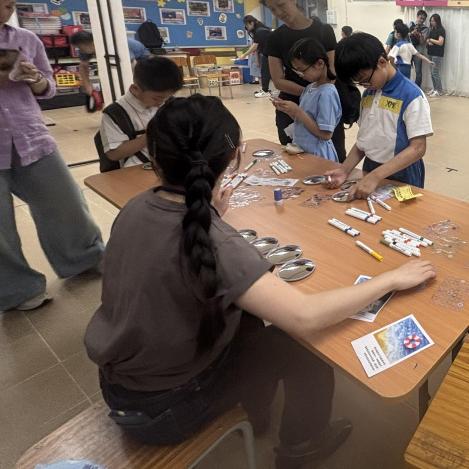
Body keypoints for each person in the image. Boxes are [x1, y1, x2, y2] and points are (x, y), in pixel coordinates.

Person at [84, 95, 435, 464]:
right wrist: (390, 279)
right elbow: (305, 316)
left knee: (249, 316)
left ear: (154, 158)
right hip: (168, 408)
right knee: (303, 349)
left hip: (121, 386)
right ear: (233, 158)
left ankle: (256, 410)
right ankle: (303, 446)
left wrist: (212, 214)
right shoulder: (218, 244)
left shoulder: (137, 206)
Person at [0, 0, 104, 311]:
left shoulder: (25, 39)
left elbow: (49, 86)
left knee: (65, 202)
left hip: (30, 135)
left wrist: (34, 80)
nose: (4, 14)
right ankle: (17, 291)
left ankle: (85, 258)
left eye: (9, 6)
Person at [323, 32, 433, 199]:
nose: (364, 85)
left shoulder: (411, 95)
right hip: (371, 168)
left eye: (365, 80)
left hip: (402, 172)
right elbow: (363, 141)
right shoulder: (368, 94)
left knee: (401, 214)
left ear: (381, 62)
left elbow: (418, 148)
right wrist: (344, 170)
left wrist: (375, 176)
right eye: (359, 83)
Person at [260, 0, 344, 159]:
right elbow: (278, 80)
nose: (279, 12)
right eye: (272, 9)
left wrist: (314, 96)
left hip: (323, 104)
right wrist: (307, 97)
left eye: (281, 5)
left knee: (331, 161)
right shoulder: (275, 37)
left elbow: (332, 72)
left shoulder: (323, 30)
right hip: (291, 103)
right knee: (295, 160)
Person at [99, 56, 183, 170]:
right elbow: (114, 154)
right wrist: (153, 135)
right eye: (156, 98)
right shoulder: (116, 114)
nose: (161, 103)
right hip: (136, 171)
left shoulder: (169, 103)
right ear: (135, 89)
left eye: (168, 97)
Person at [272, 39, 341, 162]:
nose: (300, 74)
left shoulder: (327, 93)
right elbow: (305, 121)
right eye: (296, 70)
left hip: (317, 154)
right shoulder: (310, 88)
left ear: (320, 63)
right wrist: (288, 110)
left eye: (302, 70)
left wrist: (298, 111)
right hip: (303, 149)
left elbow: (326, 135)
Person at [70, 29, 151, 96]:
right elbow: (83, 67)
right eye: (78, 48)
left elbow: (132, 64)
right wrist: (88, 87)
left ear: (92, 44)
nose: (80, 50)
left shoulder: (112, 45)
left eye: (81, 48)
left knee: (136, 83)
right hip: (127, 59)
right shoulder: (85, 49)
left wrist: (131, 86)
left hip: (140, 56)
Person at [238, 15, 272, 98]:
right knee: (267, 72)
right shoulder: (262, 29)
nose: (247, 27)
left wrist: (244, 55)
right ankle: (265, 90)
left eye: (247, 25)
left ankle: (265, 91)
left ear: (252, 23)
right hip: (268, 53)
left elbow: (254, 46)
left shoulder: (259, 31)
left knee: (265, 73)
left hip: (269, 53)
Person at [425, 13, 446, 97]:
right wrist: (428, 41)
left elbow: (440, 42)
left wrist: (431, 40)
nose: (432, 22)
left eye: (433, 21)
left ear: (437, 21)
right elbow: (428, 39)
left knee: (435, 72)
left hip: (437, 54)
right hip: (430, 52)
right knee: (432, 72)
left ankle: (439, 90)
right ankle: (434, 88)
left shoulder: (441, 30)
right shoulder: (432, 30)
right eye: (431, 21)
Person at [410, 10, 429, 87]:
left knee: (418, 71)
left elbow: (423, 42)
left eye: (424, 19)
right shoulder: (410, 24)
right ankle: (407, 86)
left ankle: (417, 87)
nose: (421, 20)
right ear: (417, 16)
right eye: (421, 18)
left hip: (418, 51)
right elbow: (404, 35)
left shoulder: (425, 29)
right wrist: (412, 33)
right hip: (409, 50)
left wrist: (419, 35)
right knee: (407, 69)